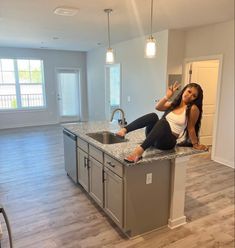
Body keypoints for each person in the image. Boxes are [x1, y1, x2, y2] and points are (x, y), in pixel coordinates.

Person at [116, 82, 209, 163]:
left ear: (195, 99)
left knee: (163, 123)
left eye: (194, 96)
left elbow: (191, 128)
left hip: (167, 142)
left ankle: (138, 152)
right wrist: (167, 96)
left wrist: (196, 144)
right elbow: (158, 107)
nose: (189, 96)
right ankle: (124, 130)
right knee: (153, 116)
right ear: (184, 90)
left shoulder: (193, 109)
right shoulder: (174, 104)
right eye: (189, 91)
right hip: (154, 138)